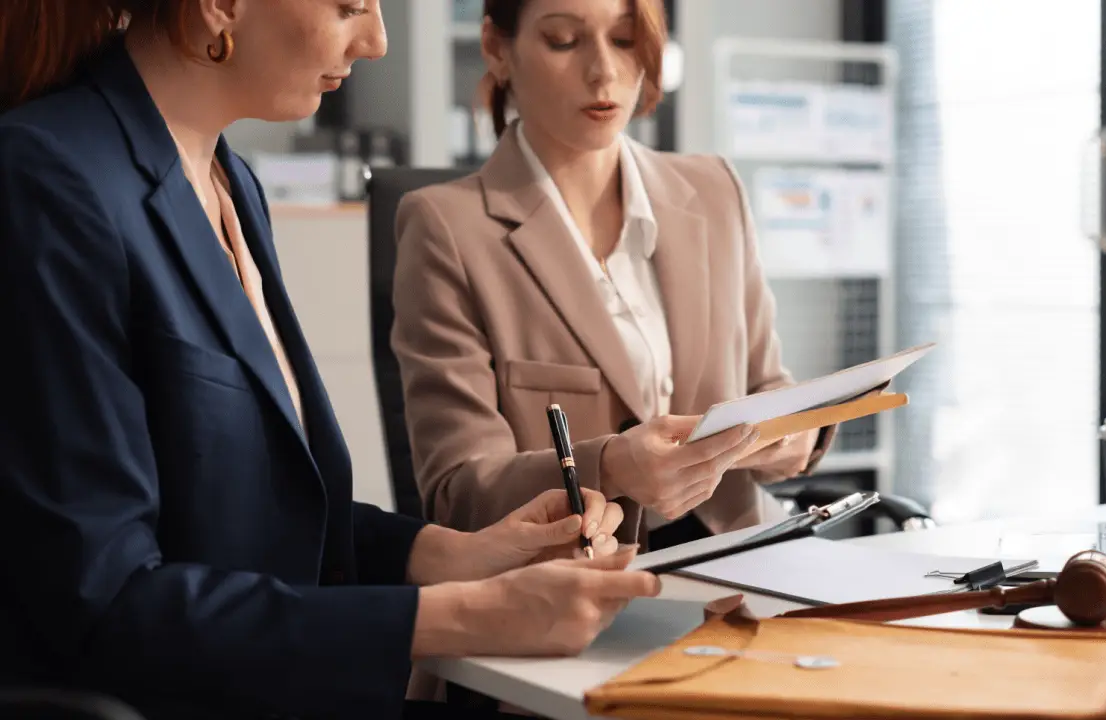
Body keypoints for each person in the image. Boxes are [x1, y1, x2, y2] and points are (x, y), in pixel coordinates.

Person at [0, 2, 660, 719]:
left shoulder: (229, 182)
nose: (375, 42)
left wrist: (452, 556)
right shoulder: (48, 179)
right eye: (350, 6)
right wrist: (466, 615)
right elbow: (106, 601)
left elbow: (254, 517)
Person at [390, 0, 837, 553]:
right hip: (573, 585)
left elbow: (766, 385)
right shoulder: (447, 229)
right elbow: (459, 493)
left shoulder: (714, 189)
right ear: (497, 49)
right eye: (563, 41)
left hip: (743, 558)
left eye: (625, 40)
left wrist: (792, 432)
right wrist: (614, 467)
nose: (603, 70)